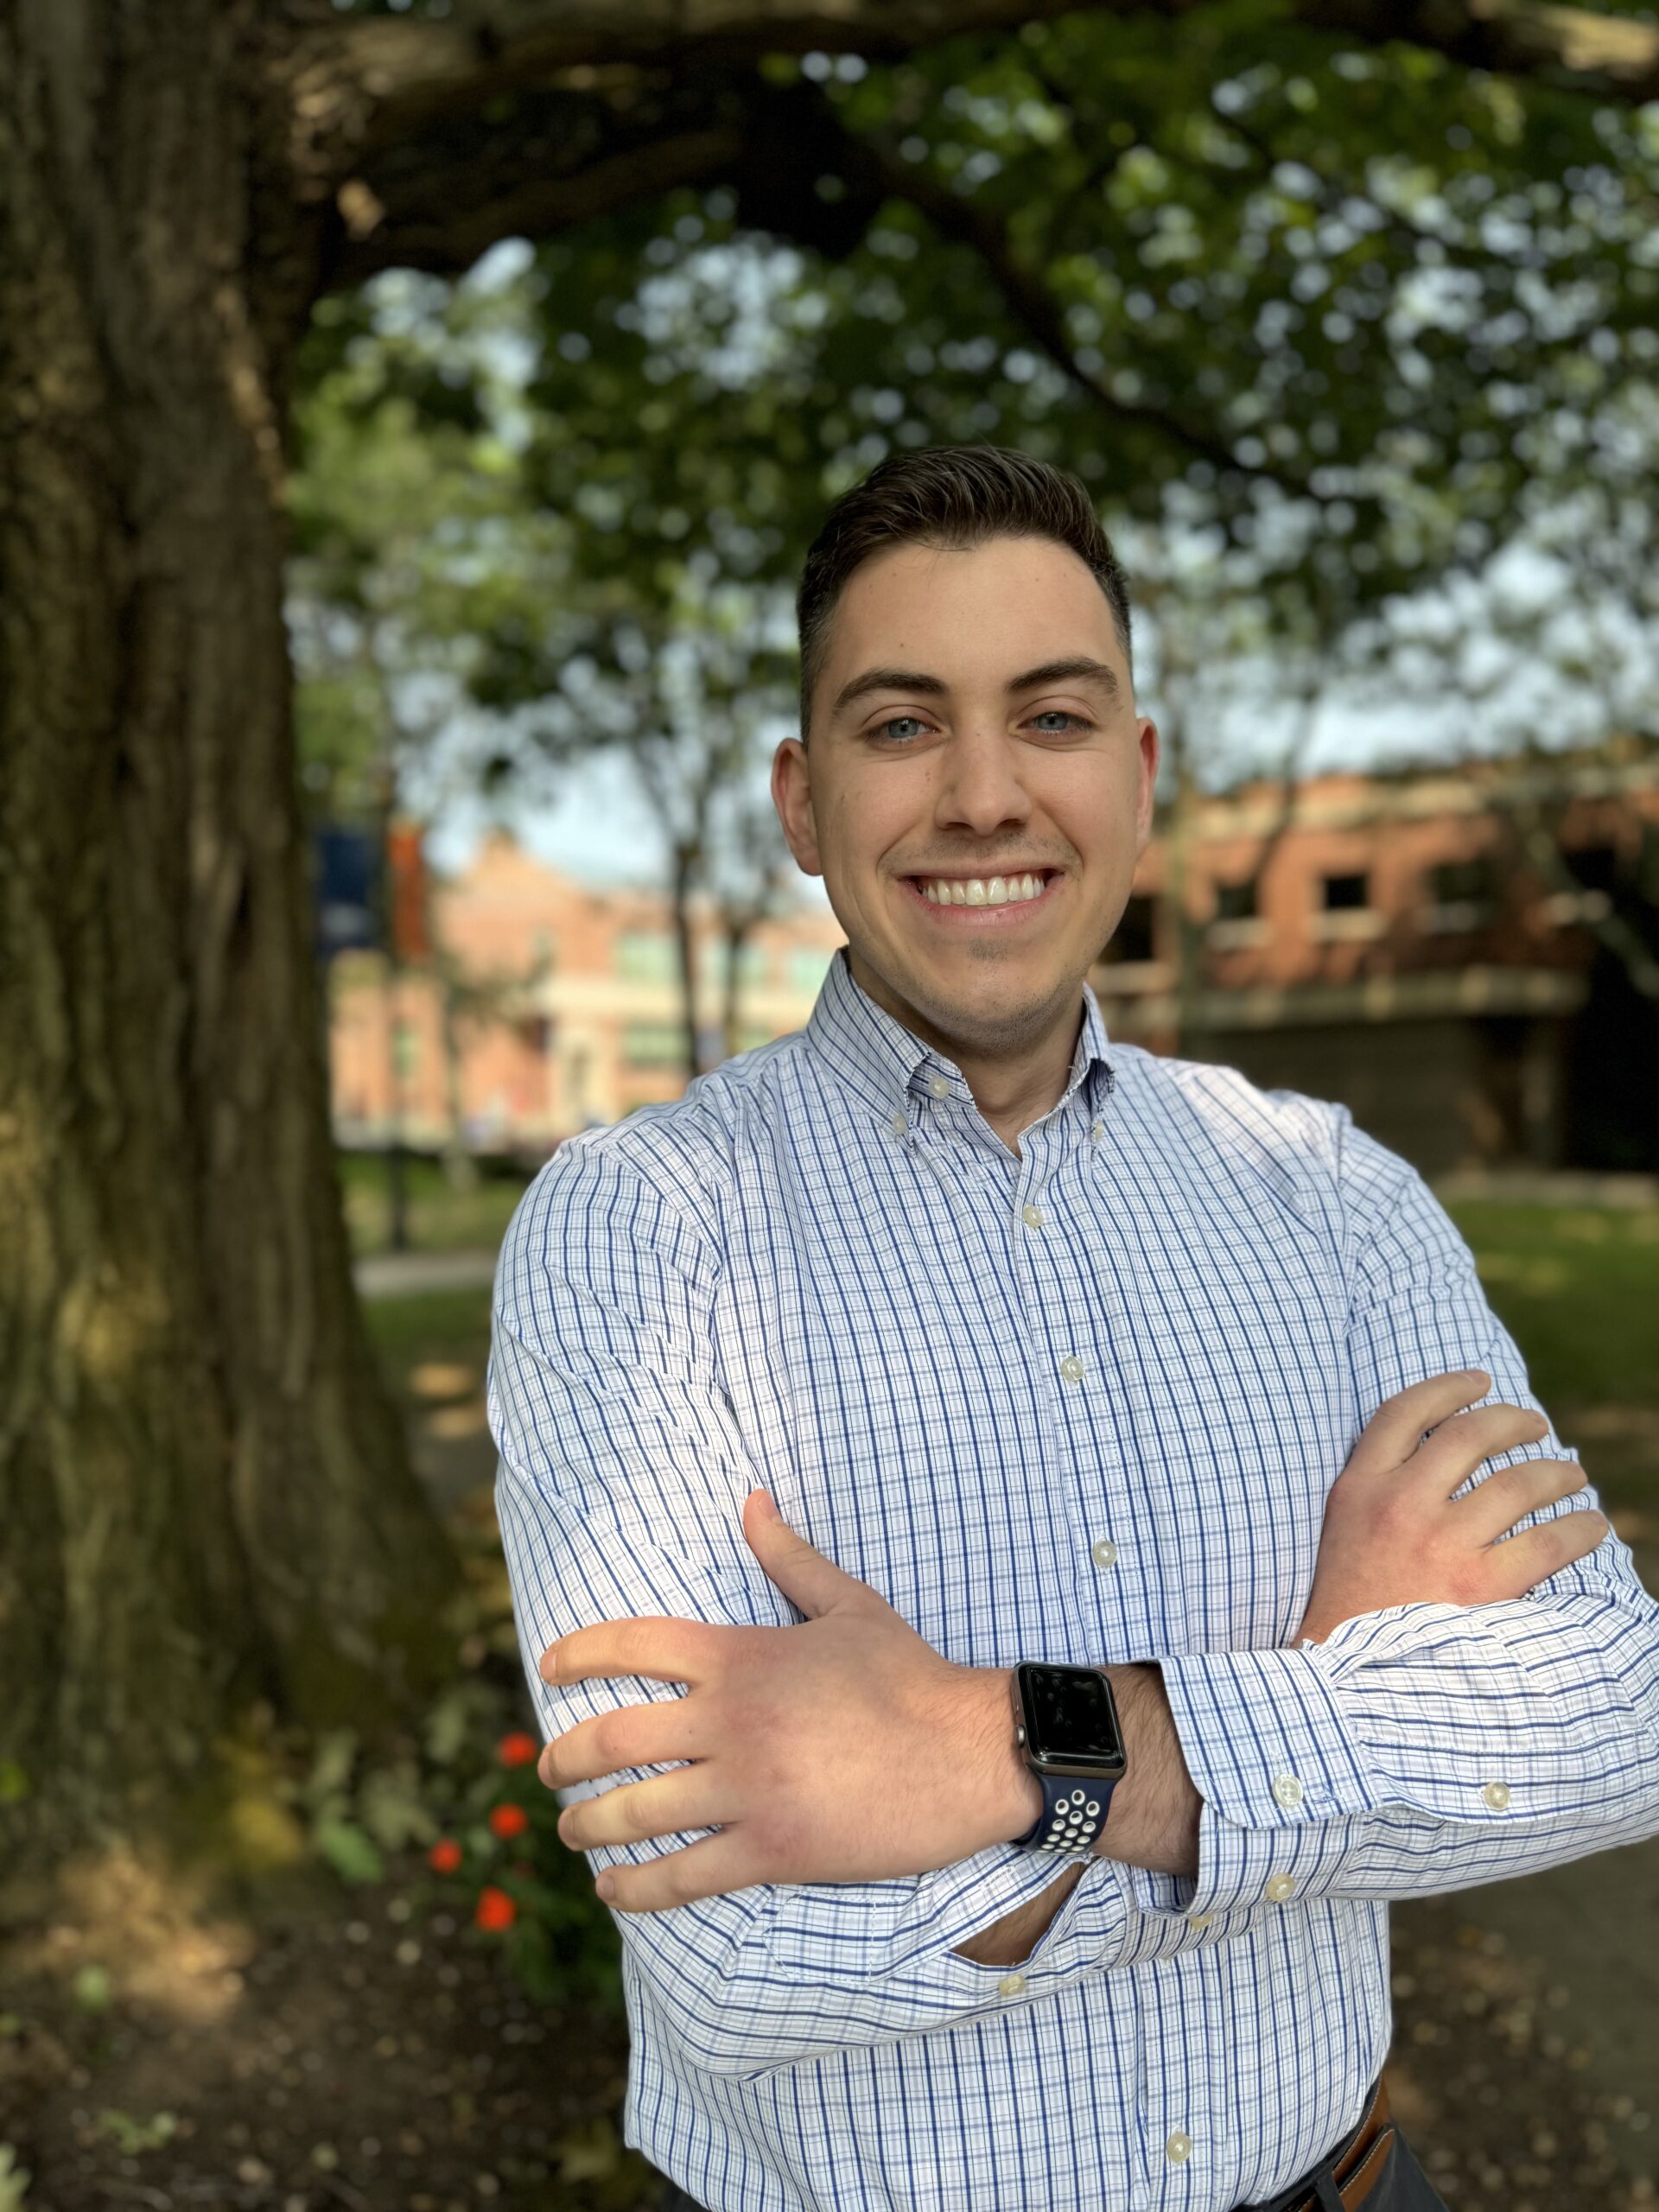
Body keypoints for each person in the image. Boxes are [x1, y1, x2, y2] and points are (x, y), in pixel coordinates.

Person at [488, 446, 1659, 2212]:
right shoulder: (638, 1231)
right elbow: (734, 1959)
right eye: (903, 724)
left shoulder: (1330, 1195)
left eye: (1051, 716)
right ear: (802, 802)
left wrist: (992, 1751)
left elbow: (1609, 1714)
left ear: (1140, 773)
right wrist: (1316, 1714)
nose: (984, 796)